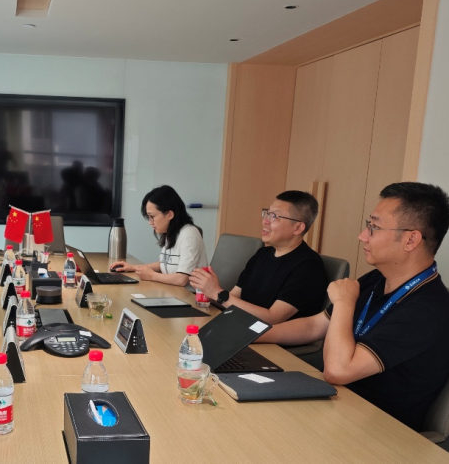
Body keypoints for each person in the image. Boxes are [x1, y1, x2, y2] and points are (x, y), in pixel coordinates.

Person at [256, 182, 449, 431]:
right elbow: (315, 325)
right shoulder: (377, 279)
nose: (362, 235)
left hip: (378, 430)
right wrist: (251, 334)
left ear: (411, 239)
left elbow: (338, 371)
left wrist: (344, 302)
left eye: (374, 227)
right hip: (337, 405)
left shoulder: (426, 309)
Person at [189, 190, 327, 324]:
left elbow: (272, 318)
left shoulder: (308, 267)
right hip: (240, 324)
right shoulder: (262, 254)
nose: (265, 221)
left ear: (298, 228)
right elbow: (234, 297)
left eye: (275, 216)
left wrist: (218, 293)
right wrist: (207, 291)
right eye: (267, 213)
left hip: (269, 337)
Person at [110, 185, 207, 287]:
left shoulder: (189, 235)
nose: (150, 222)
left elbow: (181, 279)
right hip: (172, 291)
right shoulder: (172, 232)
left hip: (190, 294)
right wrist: (133, 267)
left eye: (152, 216)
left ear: (169, 214)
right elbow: (164, 264)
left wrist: (152, 275)